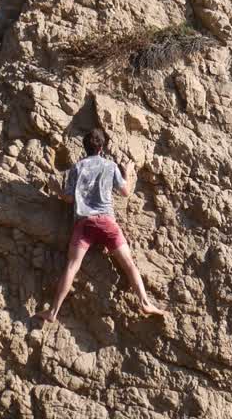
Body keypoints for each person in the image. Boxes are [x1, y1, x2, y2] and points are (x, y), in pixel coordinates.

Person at [37, 128, 166, 322]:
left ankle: (53, 312)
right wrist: (128, 172)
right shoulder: (110, 166)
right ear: (101, 147)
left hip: (85, 224)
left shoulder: (78, 168)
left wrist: (56, 189)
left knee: (72, 266)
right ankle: (145, 302)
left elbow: (70, 199)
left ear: (85, 147)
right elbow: (126, 192)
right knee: (129, 264)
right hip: (107, 223)